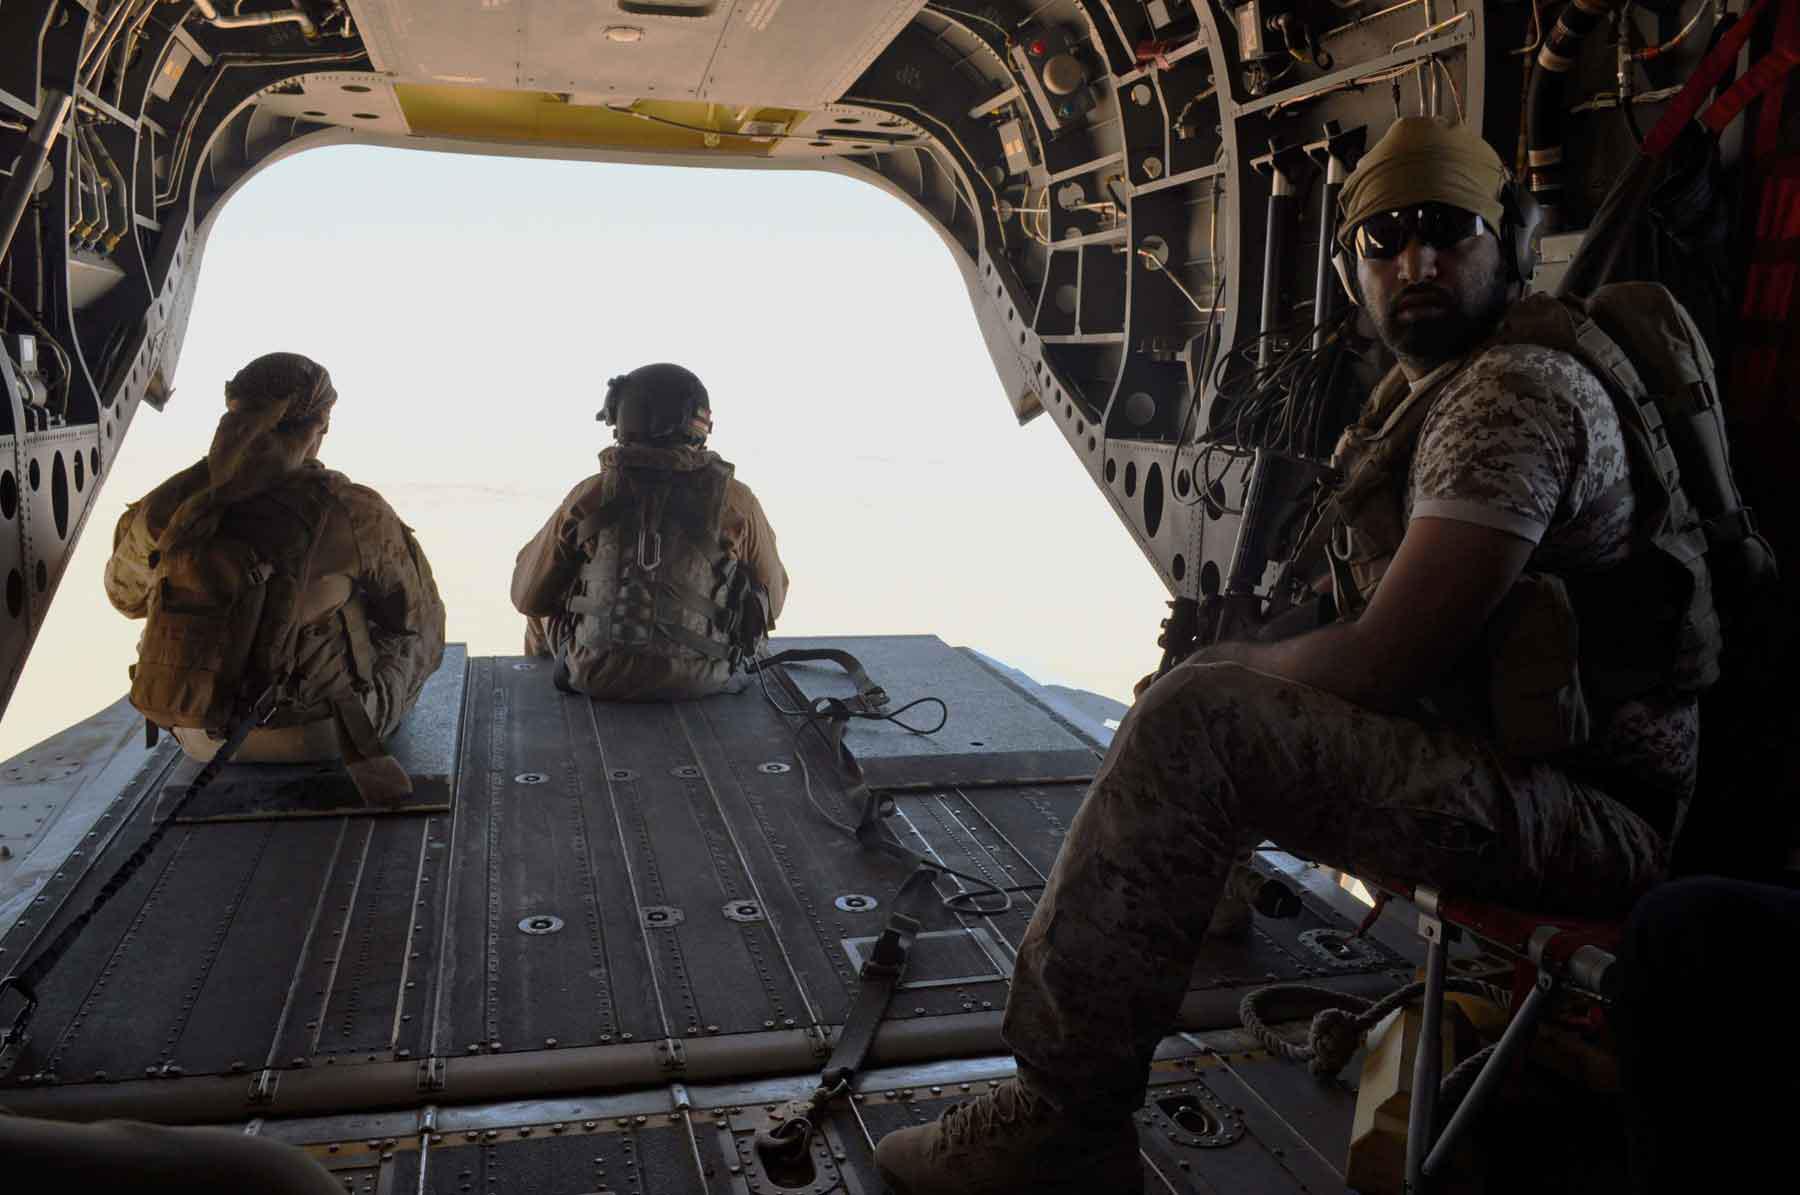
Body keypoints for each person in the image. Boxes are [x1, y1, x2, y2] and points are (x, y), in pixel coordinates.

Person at [874, 117, 1713, 1193]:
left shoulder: (1512, 400)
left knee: (1198, 720)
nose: (1413, 261)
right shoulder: (1433, 392)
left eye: (1446, 233)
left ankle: (1061, 1121)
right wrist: (1247, 649)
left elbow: (1380, 662)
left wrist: (1221, 681)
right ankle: (1187, 894)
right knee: (1228, 668)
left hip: (1591, 818)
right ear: (1350, 267)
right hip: (1523, 770)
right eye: (1382, 241)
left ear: (1509, 238)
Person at [105, 352, 445, 802]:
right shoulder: (349, 508)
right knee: (416, 635)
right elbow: (416, 616)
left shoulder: (172, 506)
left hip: (197, 736)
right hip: (313, 735)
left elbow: (124, 597)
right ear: (318, 427)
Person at [511, 362, 787, 700]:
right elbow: (772, 600)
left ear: (623, 420)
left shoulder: (591, 494)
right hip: (704, 680)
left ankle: (543, 703)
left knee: (539, 613)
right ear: (700, 425)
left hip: (593, 675)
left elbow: (527, 596)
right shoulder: (737, 500)